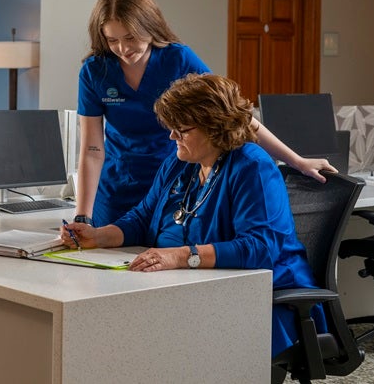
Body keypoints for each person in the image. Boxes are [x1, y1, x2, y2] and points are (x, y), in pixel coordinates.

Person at [63, 73, 326, 357]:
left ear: (215, 127)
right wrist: (97, 236)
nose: (172, 136)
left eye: (182, 129)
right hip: (187, 290)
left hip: (260, 301)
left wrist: (178, 256)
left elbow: (260, 247)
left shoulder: (252, 167)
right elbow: (142, 219)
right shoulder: (180, 163)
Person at [75, 0, 335, 227]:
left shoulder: (178, 59)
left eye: (130, 37)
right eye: (112, 40)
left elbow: (234, 116)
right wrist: (82, 216)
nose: (123, 48)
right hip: (117, 190)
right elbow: (92, 150)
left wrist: (297, 161)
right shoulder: (95, 72)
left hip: (173, 185)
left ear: (149, 25)